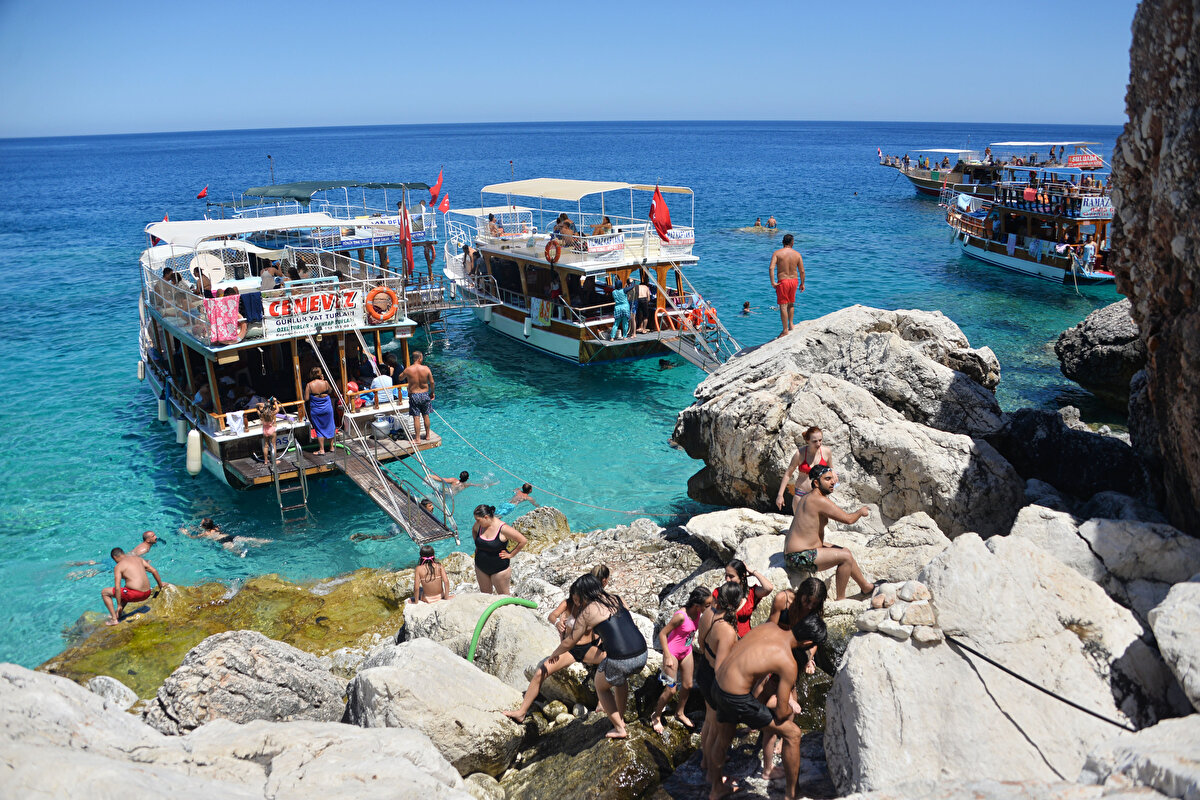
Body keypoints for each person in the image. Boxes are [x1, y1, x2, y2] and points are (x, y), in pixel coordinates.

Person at [707, 607, 827, 800]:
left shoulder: (769, 626)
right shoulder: (787, 662)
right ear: (806, 643)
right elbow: (781, 712)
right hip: (736, 697)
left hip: (718, 685)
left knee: (724, 736)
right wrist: (789, 708)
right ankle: (792, 794)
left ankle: (715, 789)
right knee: (793, 733)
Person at [504, 564, 611, 723]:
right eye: (573, 596)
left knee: (610, 661)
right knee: (541, 672)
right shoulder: (569, 604)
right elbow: (553, 617)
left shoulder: (594, 607)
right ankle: (521, 711)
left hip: (589, 648)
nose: (575, 600)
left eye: (578, 597)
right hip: (571, 649)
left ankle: (602, 704)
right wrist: (558, 623)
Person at [547, 573, 647, 739]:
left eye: (578, 597)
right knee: (619, 680)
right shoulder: (617, 598)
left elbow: (570, 641)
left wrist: (554, 654)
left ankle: (619, 728)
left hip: (622, 659)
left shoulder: (588, 611)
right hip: (642, 653)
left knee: (600, 686)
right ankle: (620, 719)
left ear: (583, 594)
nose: (577, 602)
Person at [785, 465, 874, 599]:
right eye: (827, 479)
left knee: (845, 551)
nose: (833, 482)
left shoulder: (807, 497)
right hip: (798, 557)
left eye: (833, 479)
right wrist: (861, 512)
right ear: (816, 483)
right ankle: (841, 599)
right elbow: (848, 519)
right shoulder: (819, 500)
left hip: (795, 553)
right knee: (845, 557)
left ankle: (866, 587)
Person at [695, 581, 745, 789]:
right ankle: (713, 775)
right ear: (736, 604)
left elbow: (700, 643)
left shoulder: (708, 612)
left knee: (709, 721)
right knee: (718, 728)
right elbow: (721, 668)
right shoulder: (726, 631)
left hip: (703, 670)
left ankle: (705, 762)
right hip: (715, 679)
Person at [649, 586, 711, 733]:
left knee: (688, 685)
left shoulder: (698, 614)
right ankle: (656, 715)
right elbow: (663, 634)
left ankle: (680, 713)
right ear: (697, 605)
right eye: (707, 605)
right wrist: (667, 656)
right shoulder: (680, 616)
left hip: (686, 651)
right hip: (672, 653)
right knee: (671, 689)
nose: (709, 608)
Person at [471, 504, 527, 594]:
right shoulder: (479, 525)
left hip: (499, 570)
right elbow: (474, 530)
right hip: (480, 568)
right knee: (485, 596)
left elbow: (523, 540)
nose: (476, 522)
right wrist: (478, 546)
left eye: (478, 520)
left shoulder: (503, 528)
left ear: (486, 517)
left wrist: (511, 554)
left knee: (504, 597)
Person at [100, 547, 165, 626]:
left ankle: (114, 619)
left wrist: (119, 605)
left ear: (115, 557)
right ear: (123, 553)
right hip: (147, 592)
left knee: (104, 592)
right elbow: (154, 571)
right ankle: (118, 614)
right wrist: (160, 586)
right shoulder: (138, 559)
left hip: (136, 595)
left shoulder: (119, 566)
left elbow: (117, 587)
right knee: (125, 589)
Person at [713, 558, 773, 637]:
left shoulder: (750, 593)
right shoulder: (718, 593)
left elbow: (768, 588)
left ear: (742, 576)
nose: (727, 579)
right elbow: (712, 616)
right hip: (724, 637)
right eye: (726, 575)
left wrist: (753, 572)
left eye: (731, 576)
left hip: (745, 639)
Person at [775, 426, 833, 509]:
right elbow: (788, 474)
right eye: (814, 441)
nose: (818, 444)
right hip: (801, 494)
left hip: (820, 495)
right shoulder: (800, 454)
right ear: (807, 441)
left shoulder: (826, 452)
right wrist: (780, 495)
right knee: (799, 518)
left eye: (820, 440)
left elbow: (831, 471)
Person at [768, 233, 805, 338]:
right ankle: (791, 324)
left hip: (783, 281)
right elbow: (802, 271)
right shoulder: (797, 254)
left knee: (783, 306)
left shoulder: (777, 253)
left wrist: (773, 282)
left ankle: (785, 330)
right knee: (791, 303)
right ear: (792, 243)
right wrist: (802, 283)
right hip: (794, 281)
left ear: (782, 242)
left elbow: (771, 268)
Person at [182, 517, 269, 555]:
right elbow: (206, 528)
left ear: (204, 527)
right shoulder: (216, 527)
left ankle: (243, 552)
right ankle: (266, 541)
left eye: (201, 524)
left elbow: (192, 537)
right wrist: (196, 528)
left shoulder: (206, 533)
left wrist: (186, 533)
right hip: (230, 536)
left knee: (236, 551)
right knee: (248, 539)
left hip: (223, 541)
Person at [399, 351, 435, 441]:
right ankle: (427, 436)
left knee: (416, 417)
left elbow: (400, 378)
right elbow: (432, 382)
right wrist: (432, 392)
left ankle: (418, 439)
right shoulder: (426, 368)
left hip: (414, 395)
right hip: (425, 394)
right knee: (426, 415)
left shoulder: (408, 369)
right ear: (420, 358)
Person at [304, 367, 336, 455]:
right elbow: (330, 391)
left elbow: (306, 398)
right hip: (327, 408)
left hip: (316, 409)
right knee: (330, 426)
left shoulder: (309, 385)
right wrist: (323, 380)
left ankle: (322, 449)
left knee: (319, 429)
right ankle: (332, 447)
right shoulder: (325, 383)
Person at [254, 398, 281, 464]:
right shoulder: (271, 414)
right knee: (273, 445)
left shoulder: (261, 415)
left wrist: (259, 405)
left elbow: (256, 407)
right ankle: (274, 460)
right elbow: (278, 409)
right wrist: (275, 401)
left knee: (266, 446)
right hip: (271, 430)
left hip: (265, 431)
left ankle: (266, 460)